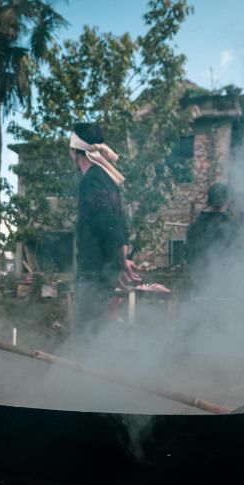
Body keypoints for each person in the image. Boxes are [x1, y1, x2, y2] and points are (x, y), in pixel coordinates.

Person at [69, 122, 138, 337]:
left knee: (89, 340)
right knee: (102, 338)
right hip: (103, 273)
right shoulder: (107, 179)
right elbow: (120, 223)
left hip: (94, 275)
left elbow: (109, 223)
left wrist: (118, 263)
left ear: (75, 151)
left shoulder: (92, 181)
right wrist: (121, 260)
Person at [185, 183, 241, 293]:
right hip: (225, 284)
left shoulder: (196, 225)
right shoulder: (230, 225)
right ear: (227, 201)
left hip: (199, 281)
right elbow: (238, 255)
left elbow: (189, 255)